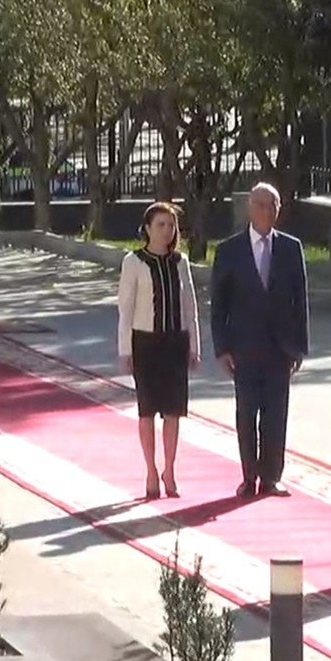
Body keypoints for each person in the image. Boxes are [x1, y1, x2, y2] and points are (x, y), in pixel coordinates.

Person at [209, 182, 310, 499]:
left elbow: (300, 300)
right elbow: (219, 304)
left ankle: (271, 477)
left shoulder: (291, 248)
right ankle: (248, 476)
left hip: (280, 347)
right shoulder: (229, 250)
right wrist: (222, 348)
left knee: (275, 414)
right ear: (250, 208)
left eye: (274, 205)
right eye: (262, 205)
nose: (268, 211)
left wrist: (300, 347)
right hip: (243, 347)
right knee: (246, 413)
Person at [116, 202, 202, 500]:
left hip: (175, 343)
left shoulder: (181, 262)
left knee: (173, 412)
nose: (167, 231)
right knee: (147, 412)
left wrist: (193, 345)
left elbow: (189, 306)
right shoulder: (134, 262)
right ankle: (151, 470)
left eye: (170, 225)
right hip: (146, 343)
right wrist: (125, 349)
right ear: (148, 229)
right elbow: (125, 309)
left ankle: (170, 470)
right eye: (161, 225)